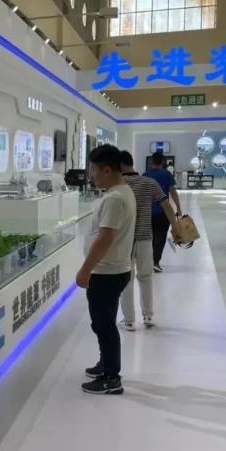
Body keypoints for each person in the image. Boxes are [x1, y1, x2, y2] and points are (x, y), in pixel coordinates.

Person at [77, 144, 136, 395]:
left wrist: (85, 270)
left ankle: (112, 378)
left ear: (108, 170)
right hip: (113, 270)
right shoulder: (122, 191)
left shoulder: (114, 198)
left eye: (94, 170)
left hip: (107, 272)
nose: (92, 176)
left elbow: (105, 238)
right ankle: (106, 364)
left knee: (104, 325)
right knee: (104, 322)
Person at [118, 151, 182, 331]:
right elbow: (166, 205)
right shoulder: (149, 182)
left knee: (126, 278)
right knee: (146, 276)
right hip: (145, 237)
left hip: (125, 239)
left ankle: (129, 320)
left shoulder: (119, 185)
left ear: (120, 165)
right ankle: (148, 316)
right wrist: (175, 227)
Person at [144, 152, 182, 272]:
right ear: (162, 162)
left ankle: (149, 261)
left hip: (148, 212)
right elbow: (173, 192)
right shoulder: (166, 174)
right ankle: (155, 261)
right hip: (163, 212)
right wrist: (178, 207)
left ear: (151, 161)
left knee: (150, 238)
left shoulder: (145, 175)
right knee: (160, 237)